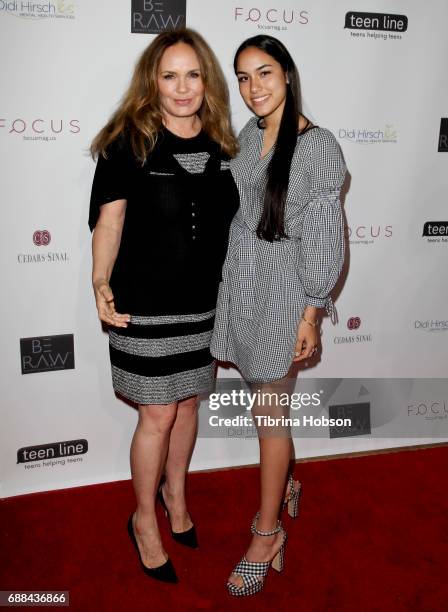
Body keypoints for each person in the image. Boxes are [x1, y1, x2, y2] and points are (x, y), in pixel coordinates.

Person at [88, 28, 239, 584]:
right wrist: (99, 281)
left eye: (193, 74)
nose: (182, 87)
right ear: (152, 80)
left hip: (204, 307)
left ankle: (177, 495)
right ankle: (144, 519)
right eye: (169, 75)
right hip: (144, 308)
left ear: (208, 81)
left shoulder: (226, 145)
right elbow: (110, 221)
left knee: (188, 406)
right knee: (158, 413)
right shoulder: (127, 142)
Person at [210, 35, 347, 596]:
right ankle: (285, 480)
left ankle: (266, 534)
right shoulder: (248, 134)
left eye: (264, 73)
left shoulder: (319, 147)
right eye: (243, 77)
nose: (253, 88)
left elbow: (324, 240)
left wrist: (311, 314)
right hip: (242, 294)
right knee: (271, 414)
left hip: (285, 299)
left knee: (269, 417)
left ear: (287, 75)